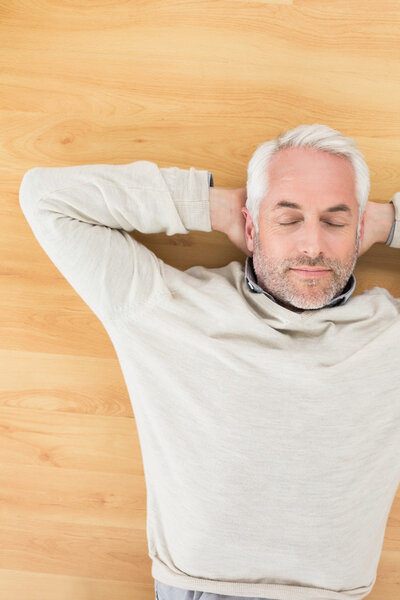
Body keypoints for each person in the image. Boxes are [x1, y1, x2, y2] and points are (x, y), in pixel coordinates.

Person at [19, 123, 399, 600]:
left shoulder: (390, 337)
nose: (312, 246)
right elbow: (46, 197)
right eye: (287, 218)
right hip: (198, 590)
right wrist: (211, 206)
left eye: (335, 221)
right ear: (252, 222)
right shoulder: (160, 305)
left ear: (360, 230)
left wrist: (384, 221)